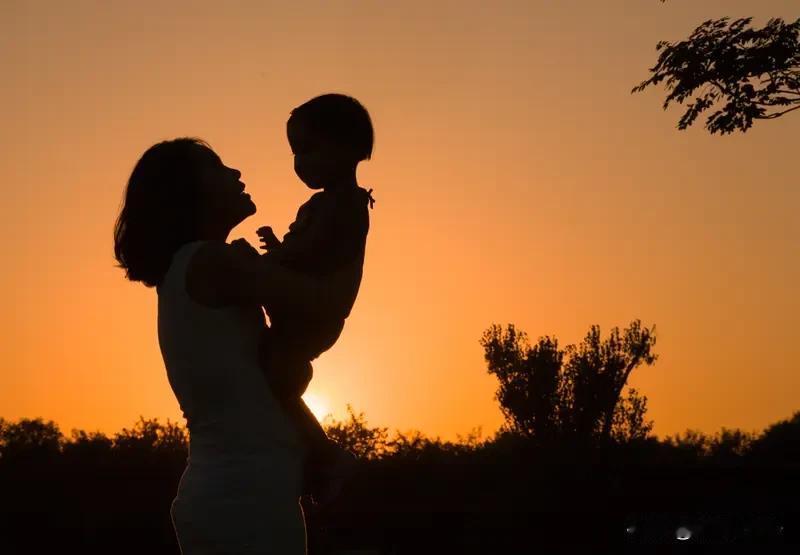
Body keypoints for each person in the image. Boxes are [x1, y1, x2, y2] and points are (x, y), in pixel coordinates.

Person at [113, 137, 360, 553]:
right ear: (188, 193)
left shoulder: (201, 265)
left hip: (240, 499)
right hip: (243, 504)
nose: (235, 174)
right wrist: (354, 225)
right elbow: (328, 303)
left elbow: (266, 377)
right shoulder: (210, 262)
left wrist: (315, 449)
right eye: (217, 167)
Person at [243, 94, 375, 504]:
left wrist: (277, 259)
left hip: (312, 318)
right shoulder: (320, 205)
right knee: (270, 381)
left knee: (275, 377)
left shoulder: (348, 205)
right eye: (295, 153)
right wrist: (278, 250)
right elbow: (305, 249)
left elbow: (319, 252)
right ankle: (313, 459)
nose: (300, 163)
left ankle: (322, 456)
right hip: (296, 313)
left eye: (309, 149)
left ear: (350, 148)